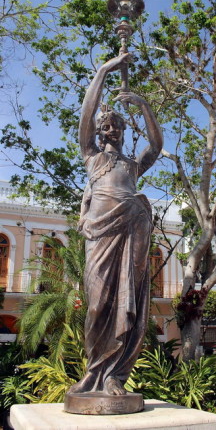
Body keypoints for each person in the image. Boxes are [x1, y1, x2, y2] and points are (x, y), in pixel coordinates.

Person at [67, 52, 162, 398]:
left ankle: (114, 377)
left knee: (128, 303)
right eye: (107, 127)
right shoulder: (93, 158)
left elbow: (156, 144)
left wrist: (143, 105)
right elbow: (86, 114)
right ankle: (93, 374)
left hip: (132, 228)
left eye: (118, 128)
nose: (112, 131)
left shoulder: (133, 165)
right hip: (99, 231)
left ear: (124, 132)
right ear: (99, 131)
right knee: (97, 304)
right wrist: (104, 70)